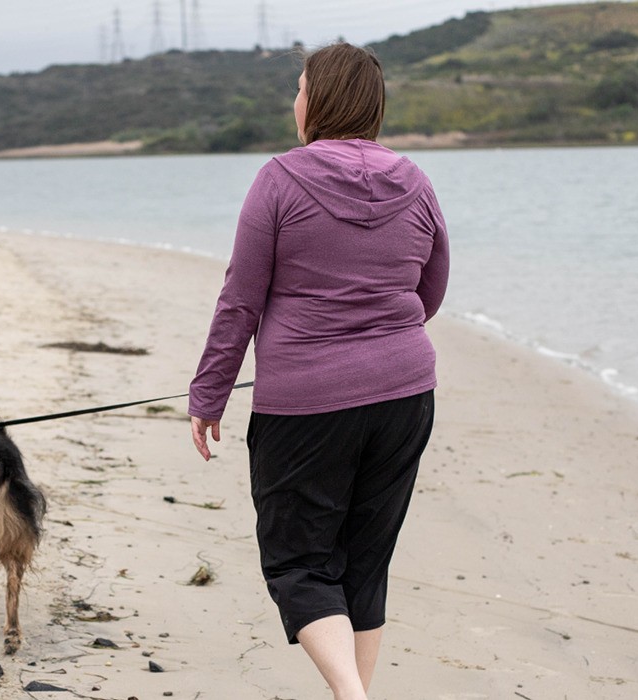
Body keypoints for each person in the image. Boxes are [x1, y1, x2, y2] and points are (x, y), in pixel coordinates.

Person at [187, 42, 449, 700]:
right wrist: (383, 338)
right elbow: (432, 288)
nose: (293, 100)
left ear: (321, 99)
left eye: (299, 87)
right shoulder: (415, 180)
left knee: (300, 563)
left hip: (306, 405)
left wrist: (209, 395)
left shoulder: (280, 178)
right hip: (405, 392)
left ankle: (354, 697)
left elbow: (240, 299)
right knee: (365, 561)